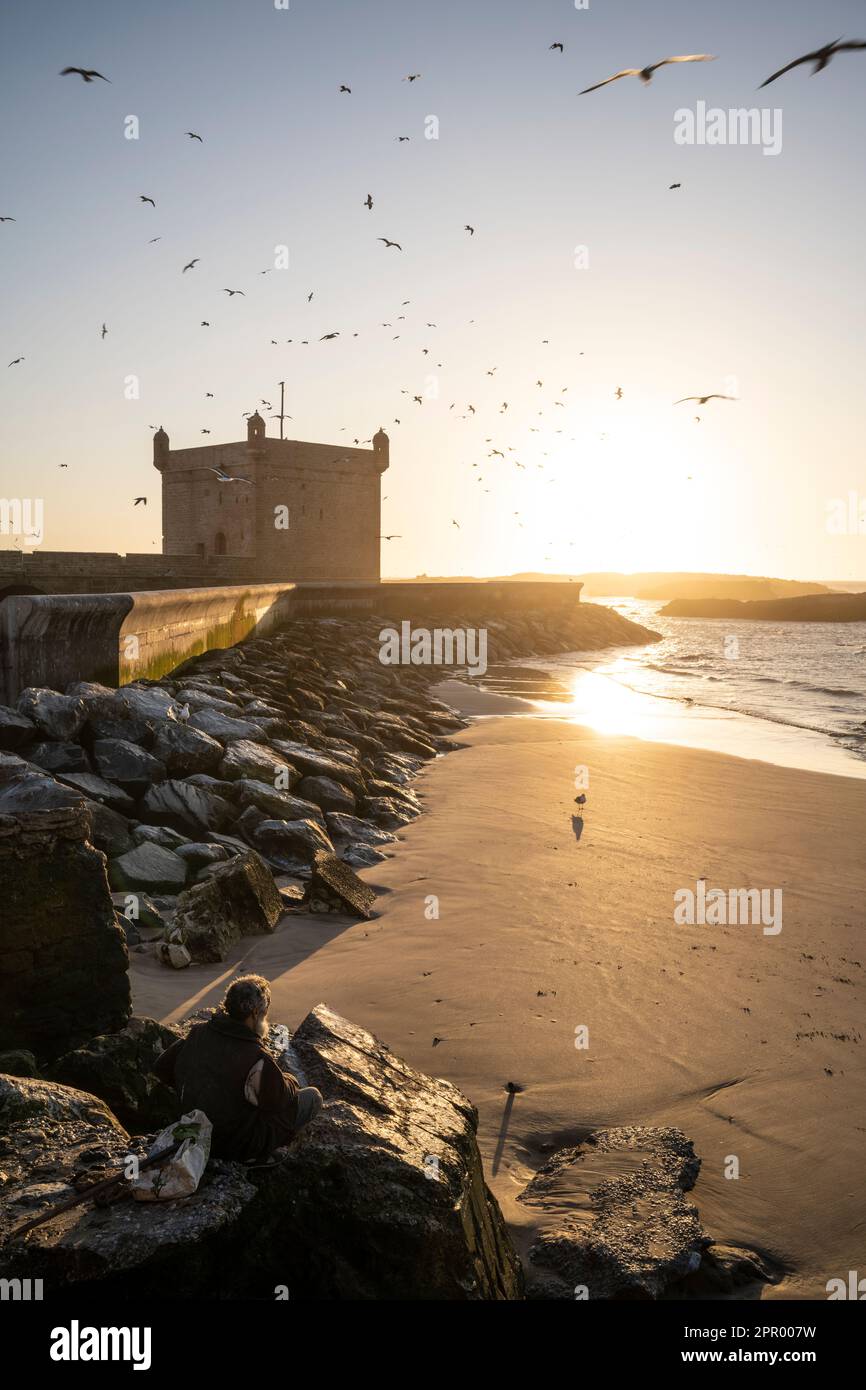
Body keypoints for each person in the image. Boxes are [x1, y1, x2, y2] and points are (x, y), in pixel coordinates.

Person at [154, 975, 322, 1163]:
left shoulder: (197, 1033)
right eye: (265, 1012)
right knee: (312, 1097)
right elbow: (278, 1100)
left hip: (193, 1132)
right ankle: (258, 1157)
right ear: (255, 1013)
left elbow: (161, 1067)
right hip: (233, 1146)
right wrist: (290, 1080)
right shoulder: (255, 1056)